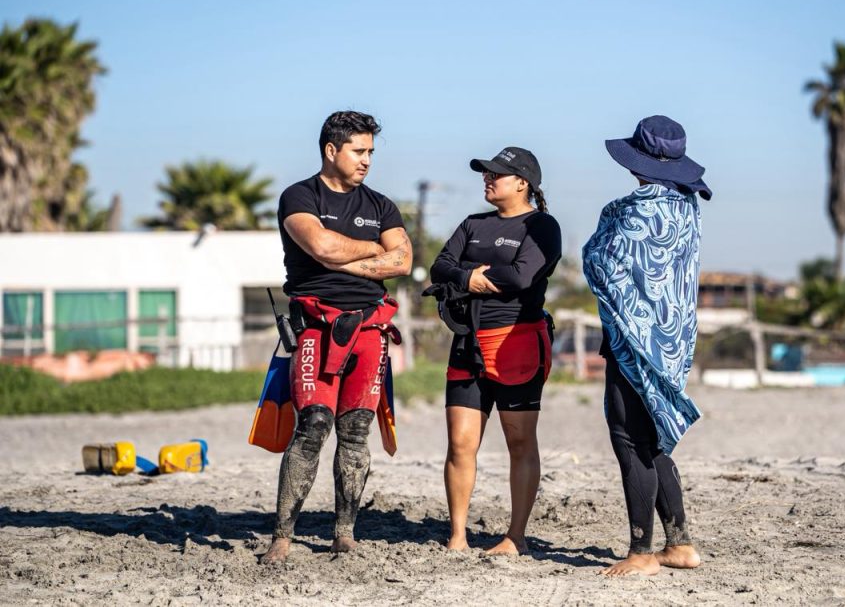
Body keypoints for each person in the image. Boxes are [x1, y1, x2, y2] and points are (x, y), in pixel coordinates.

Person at [261, 110, 412, 564]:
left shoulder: (381, 205)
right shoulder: (299, 196)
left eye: (371, 152)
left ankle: (344, 532)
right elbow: (320, 246)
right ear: (331, 150)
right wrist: (372, 250)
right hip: (316, 327)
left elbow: (403, 261)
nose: (367, 160)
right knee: (313, 426)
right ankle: (282, 536)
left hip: (370, 328)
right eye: (358, 151)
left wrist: (341, 258)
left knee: (356, 430)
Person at [582, 115, 711, 576]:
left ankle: (641, 552)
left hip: (633, 339)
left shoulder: (632, 210)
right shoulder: (686, 207)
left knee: (629, 437)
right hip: (672, 339)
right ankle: (680, 545)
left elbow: (598, 262)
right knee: (653, 436)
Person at [426, 147, 561, 555]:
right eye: (485, 173)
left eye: (495, 174)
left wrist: (468, 276)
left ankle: (515, 537)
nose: (487, 179)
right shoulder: (473, 223)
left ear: (522, 183)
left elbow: (522, 276)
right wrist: (470, 277)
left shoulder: (542, 226)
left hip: (516, 343)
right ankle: (457, 536)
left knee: (520, 443)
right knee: (460, 443)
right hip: (467, 342)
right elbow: (440, 267)